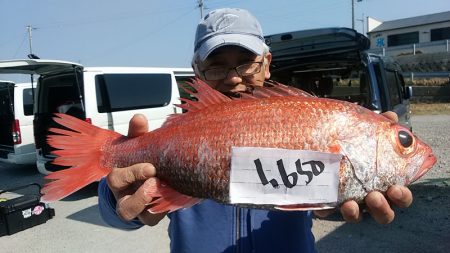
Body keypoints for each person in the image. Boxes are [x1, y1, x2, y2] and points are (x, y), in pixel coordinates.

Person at [98, 8, 413, 253]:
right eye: (216, 65)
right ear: (197, 71)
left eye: (246, 62)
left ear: (266, 63)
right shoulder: (177, 128)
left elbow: (320, 206)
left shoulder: (307, 115)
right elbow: (120, 209)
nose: (234, 78)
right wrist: (118, 200)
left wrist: (342, 199)